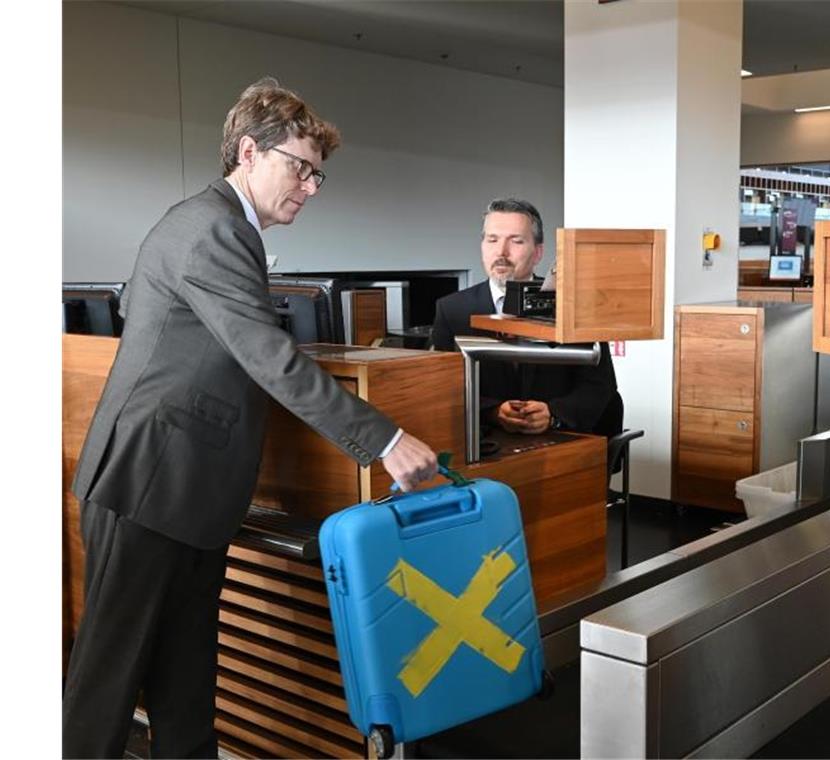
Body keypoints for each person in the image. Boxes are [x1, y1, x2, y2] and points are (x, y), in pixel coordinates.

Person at [62, 78, 438, 759]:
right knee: (106, 690)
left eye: (318, 174)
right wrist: (383, 437)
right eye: (300, 167)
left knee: (185, 682)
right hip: (149, 485)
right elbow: (269, 358)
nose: (312, 187)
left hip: (190, 494)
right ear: (248, 151)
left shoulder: (225, 227)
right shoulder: (210, 227)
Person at [431, 198, 621, 438]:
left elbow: (600, 385)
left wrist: (553, 414)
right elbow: (442, 388)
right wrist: (491, 411)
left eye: (516, 241)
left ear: (538, 252)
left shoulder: (572, 305)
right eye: (492, 240)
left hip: (559, 439)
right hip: (486, 441)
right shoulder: (451, 309)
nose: (501, 252)